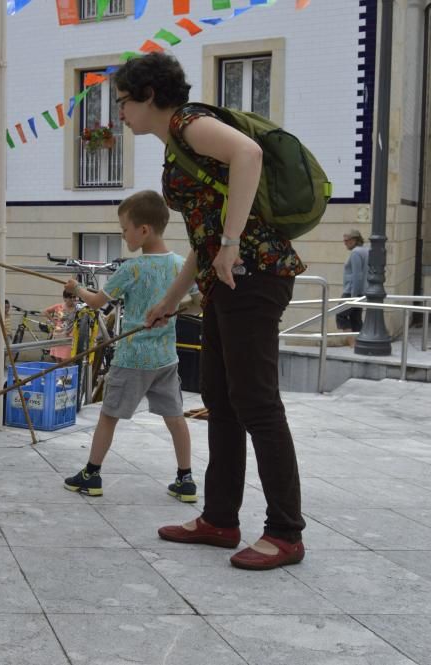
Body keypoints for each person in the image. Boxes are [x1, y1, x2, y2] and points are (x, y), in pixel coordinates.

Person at [118, 52, 307, 570]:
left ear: (149, 96)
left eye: (124, 102)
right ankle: (220, 519)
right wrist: (171, 299)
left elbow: (249, 155)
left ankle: (286, 533)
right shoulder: (179, 142)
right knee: (222, 400)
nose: (121, 114)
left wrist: (231, 242)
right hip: (225, 280)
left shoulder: (190, 123)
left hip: (253, 275)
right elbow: (203, 231)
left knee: (257, 403)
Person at [62, 191, 194, 503]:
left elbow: (96, 302)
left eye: (124, 229)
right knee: (175, 418)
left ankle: (92, 474)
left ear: (143, 230)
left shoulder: (131, 269)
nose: (123, 235)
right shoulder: (180, 265)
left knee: (109, 415)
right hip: (166, 358)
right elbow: (195, 303)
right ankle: (185, 479)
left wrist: (75, 287)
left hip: (132, 356)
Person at [337, 229, 369, 345]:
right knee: (356, 318)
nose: (345, 242)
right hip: (362, 291)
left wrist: (353, 297)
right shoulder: (366, 251)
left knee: (340, 315)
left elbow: (357, 276)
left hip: (351, 292)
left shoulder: (355, 253)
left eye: (347, 240)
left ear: (355, 240)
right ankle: (360, 343)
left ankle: (353, 344)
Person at [43, 291, 77, 361]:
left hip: (71, 335)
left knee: (66, 358)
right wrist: (54, 322)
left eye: (74, 297)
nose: (73, 299)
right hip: (59, 334)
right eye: (70, 297)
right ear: (65, 298)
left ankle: (65, 370)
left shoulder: (78, 308)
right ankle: (60, 371)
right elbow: (46, 311)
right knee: (58, 358)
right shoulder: (59, 306)